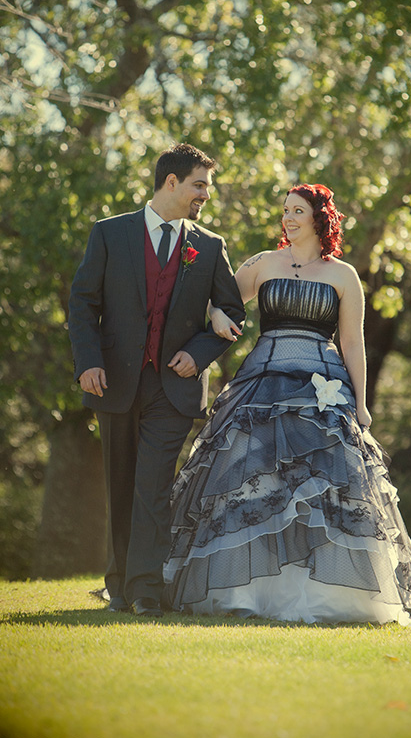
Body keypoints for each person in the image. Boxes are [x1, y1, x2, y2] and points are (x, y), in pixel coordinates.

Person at [163, 183, 411, 624]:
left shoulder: (343, 275)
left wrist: (363, 404)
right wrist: (219, 314)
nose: (288, 218)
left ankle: (323, 594)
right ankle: (249, 591)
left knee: (324, 488)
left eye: (297, 211)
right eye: (285, 211)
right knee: (253, 481)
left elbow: (353, 342)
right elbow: (222, 303)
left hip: (323, 388)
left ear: (319, 218)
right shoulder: (261, 264)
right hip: (261, 386)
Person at [68, 143, 245, 618]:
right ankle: (119, 587)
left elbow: (232, 312)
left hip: (174, 387)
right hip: (114, 382)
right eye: (199, 185)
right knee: (120, 485)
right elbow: (83, 302)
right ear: (172, 182)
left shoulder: (209, 246)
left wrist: (201, 351)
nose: (205, 195)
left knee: (153, 487)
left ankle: (146, 589)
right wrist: (87, 362)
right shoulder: (110, 234)